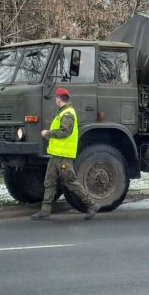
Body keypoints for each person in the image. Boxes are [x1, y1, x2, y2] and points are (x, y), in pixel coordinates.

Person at [31, 87, 100, 220]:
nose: (55, 100)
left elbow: (64, 132)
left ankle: (91, 205)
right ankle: (45, 211)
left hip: (63, 155)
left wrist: (48, 133)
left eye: (56, 98)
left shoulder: (68, 113)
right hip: (56, 154)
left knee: (70, 181)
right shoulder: (63, 112)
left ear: (58, 99)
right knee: (49, 181)